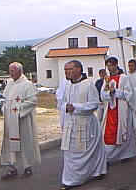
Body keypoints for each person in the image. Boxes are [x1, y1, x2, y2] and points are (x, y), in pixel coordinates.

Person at [59, 60, 107, 190]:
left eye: (69, 69)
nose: (66, 72)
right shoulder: (68, 86)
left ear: (78, 69)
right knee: (69, 152)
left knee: (88, 151)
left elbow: (94, 104)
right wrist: (66, 107)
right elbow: (62, 103)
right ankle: (70, 178)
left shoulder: (88, 84)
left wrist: (75, 107)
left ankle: (95, 172)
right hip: (71, 124)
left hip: (86, 123)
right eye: (65, 70)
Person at [1, 62, 41, 180]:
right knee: (10, 143)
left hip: (22, 120)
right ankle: (12, 167)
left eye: (12, 71)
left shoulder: (27, 84)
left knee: (25, 142)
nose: (10, 73)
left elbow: (32, 101)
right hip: (10, 120)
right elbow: (6, 99)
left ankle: (27, 167)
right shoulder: (9, 83)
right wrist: (5, 109)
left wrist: (18, 110)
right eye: (10, 71)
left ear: (19, 71)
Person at [101, 56, 136, 163]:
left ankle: (127, 154)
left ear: (116, 65)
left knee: (124, 131)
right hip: (110, 109)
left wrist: (115, 92)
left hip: (122, 109)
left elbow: (129, 94)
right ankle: (108, 156)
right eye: (108, 66)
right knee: (110, 134)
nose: (109, 68)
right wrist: (109, 93)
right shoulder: (107, 79)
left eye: (111, 66)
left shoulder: (124, 78)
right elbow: (102, 94)